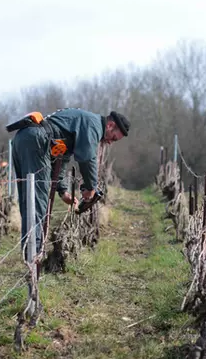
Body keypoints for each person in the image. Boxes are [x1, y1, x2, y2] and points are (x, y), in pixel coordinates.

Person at [9, 108, 129, 254]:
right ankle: (34, 255)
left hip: (23, 136)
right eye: (114, 138)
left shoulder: (84, 121)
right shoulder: (94, 125)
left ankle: (29, 250)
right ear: (110, 125)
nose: (110, 143)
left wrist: (63, 191)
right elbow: (87, 158)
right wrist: (91, 187)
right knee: (37, 199)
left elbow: (62, 156)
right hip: (37, 141)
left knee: (28, 198)